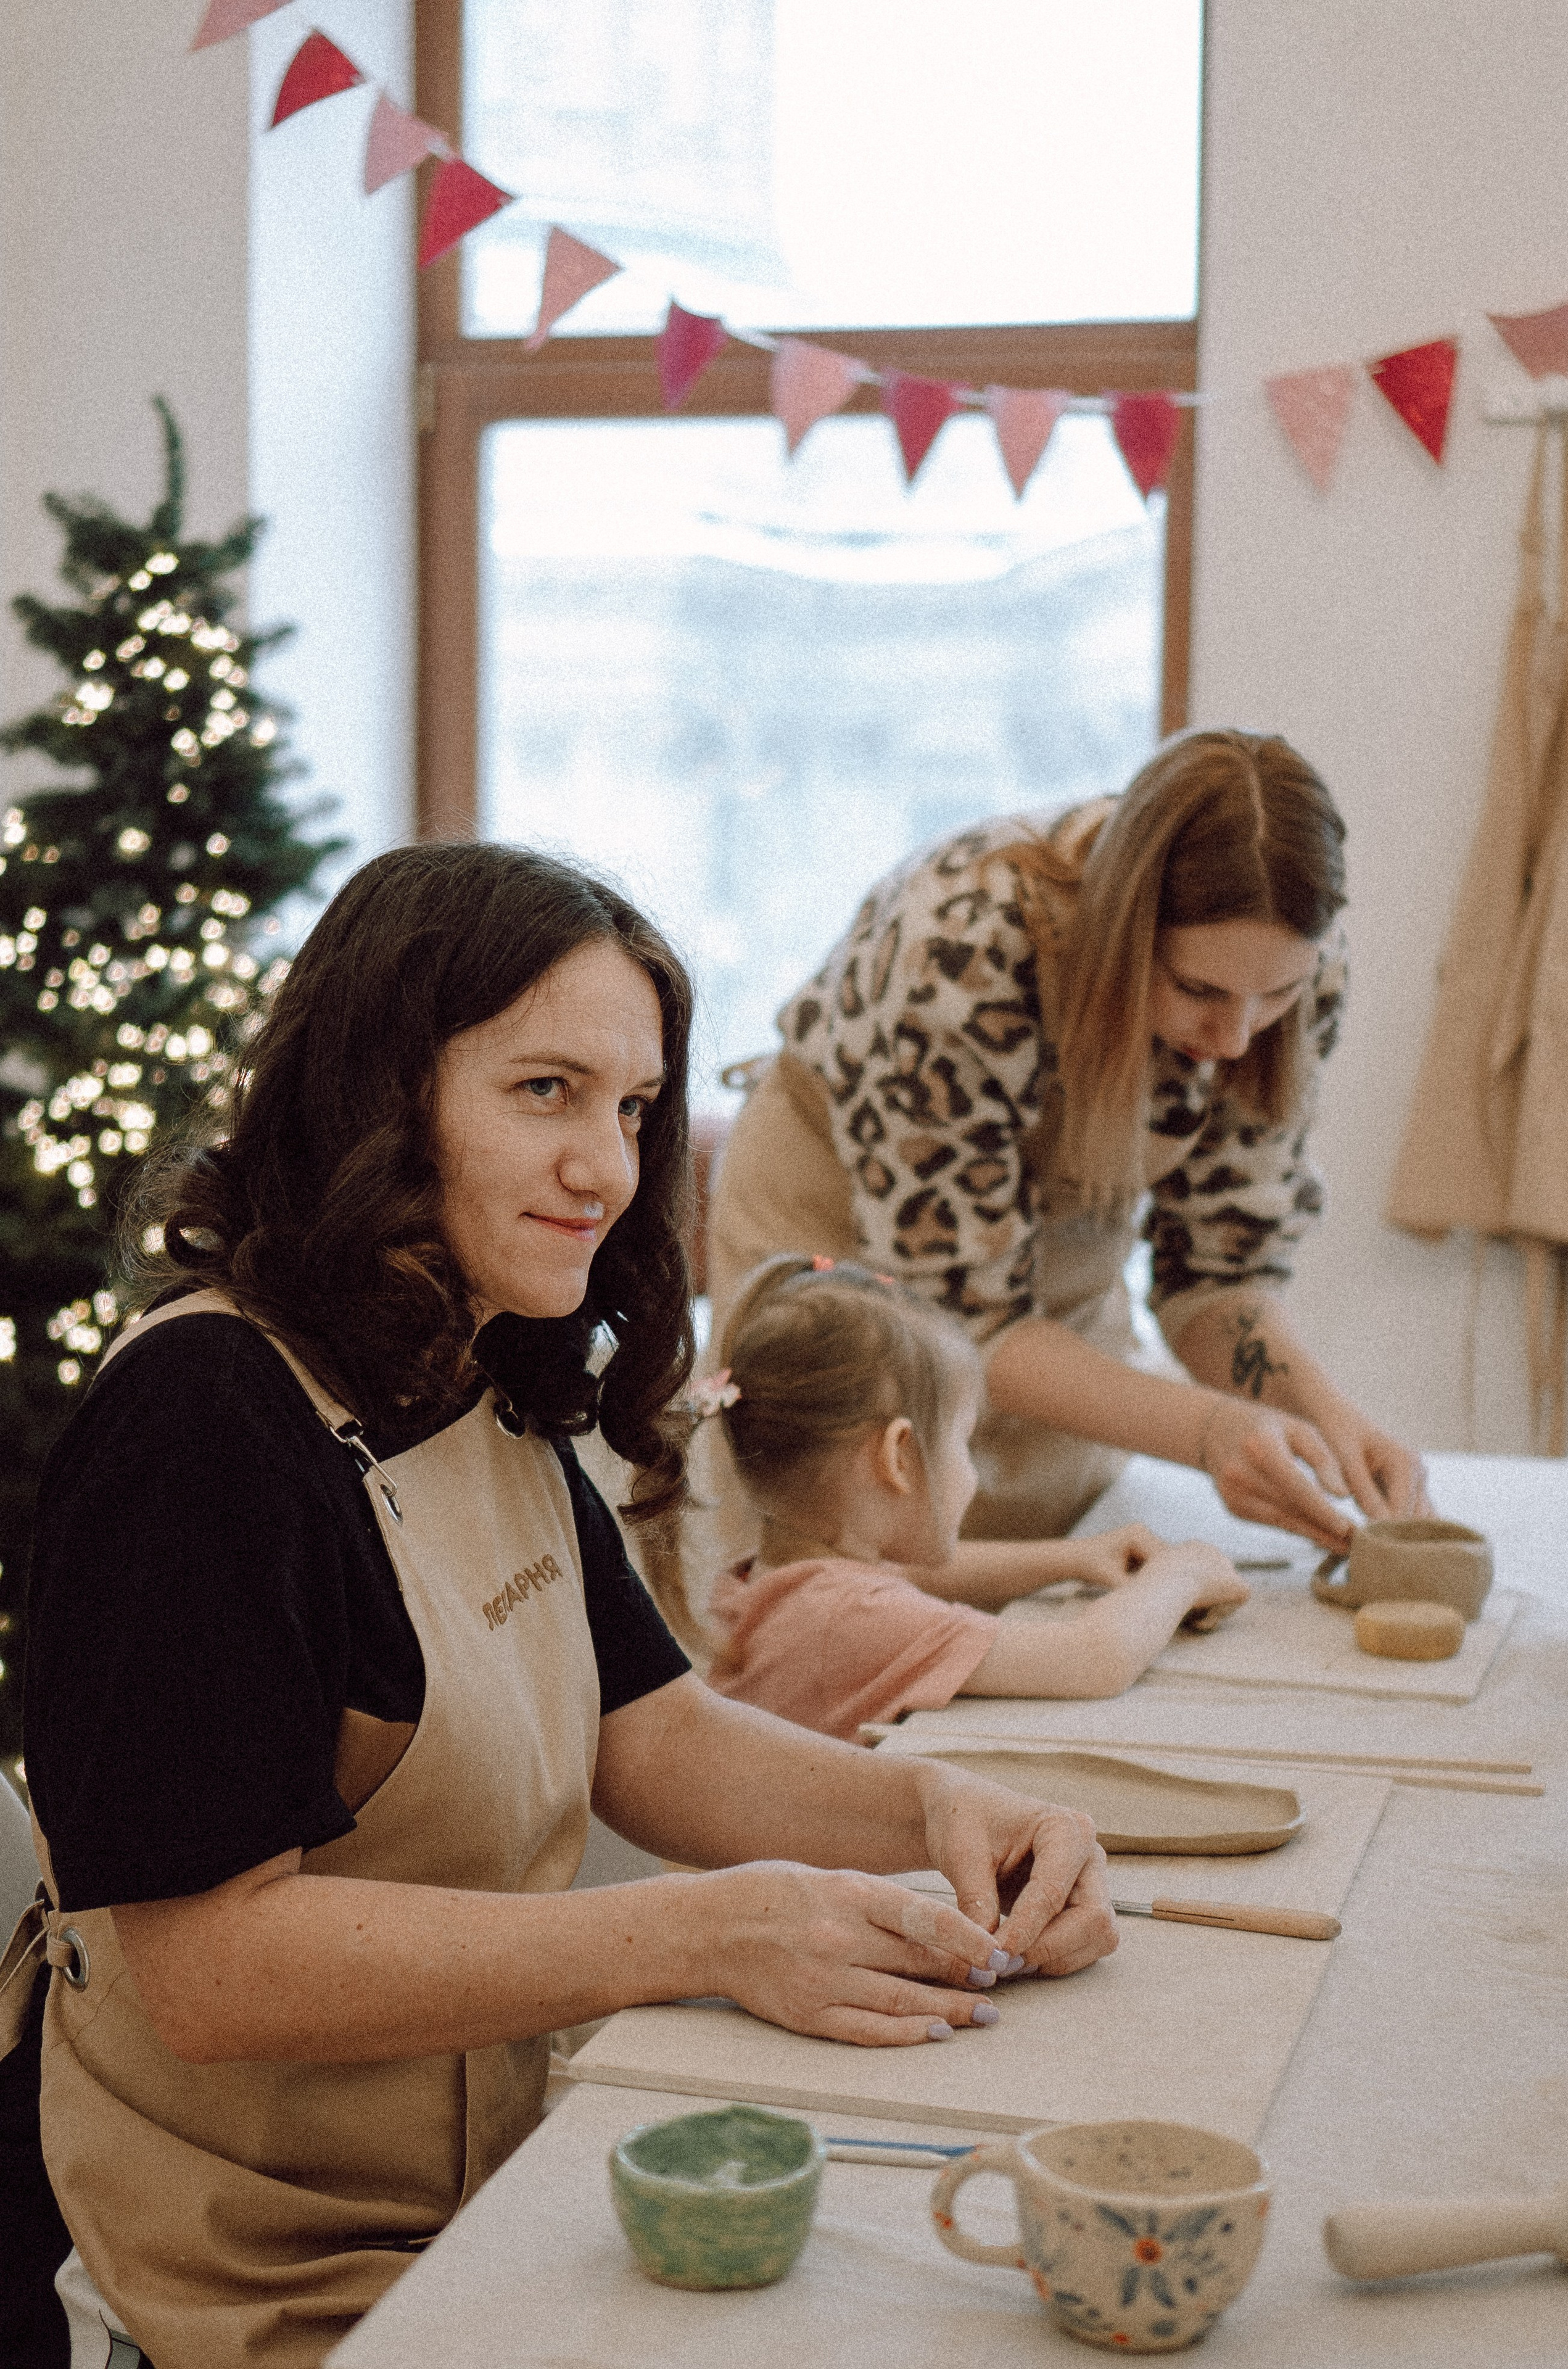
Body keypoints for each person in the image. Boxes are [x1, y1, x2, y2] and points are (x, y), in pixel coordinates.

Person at [5, 846, 1117, 2369]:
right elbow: (211, 1970)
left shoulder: (475, 1369)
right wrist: (709, 1928)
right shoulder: (203, 1426)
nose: (606, 1166)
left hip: (474, 2193)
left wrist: (937, 1808)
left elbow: (649, 1734)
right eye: (545, 1091)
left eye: (633, 1106)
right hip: (238, 2268)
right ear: (377, 1092)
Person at [705, 730, 1429, 1586]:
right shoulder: (960, 944)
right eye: (1198, 991)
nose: (1236, 1037)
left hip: (1057, 1247)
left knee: (1065, 1566)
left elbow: (1218, 1275)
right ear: (1125, 937)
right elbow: (968, 1318)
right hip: (840, 1230)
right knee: (836, 1575)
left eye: (1276, 996)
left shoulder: (1290, 958)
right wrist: (1209, 1433)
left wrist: (1329, 1420)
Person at [704, 1255, 1249, 1743]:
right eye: (963, 1443)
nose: (974, 1471)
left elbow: (910, 1577)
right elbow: (1096, 1657)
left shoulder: (779, 1579)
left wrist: (1073, 1557)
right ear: (898, 1457)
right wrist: (1185, 1572)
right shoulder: (848, 1620)